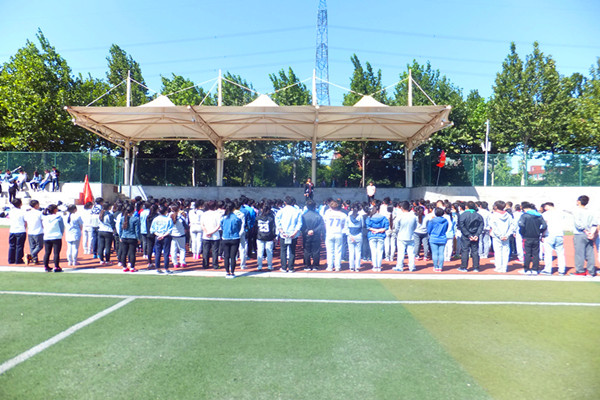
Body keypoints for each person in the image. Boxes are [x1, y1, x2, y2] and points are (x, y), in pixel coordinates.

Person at [518, 202, 547, 275]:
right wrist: (540, 231)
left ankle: (527, 269)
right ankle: (535, 269)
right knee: (535, 254)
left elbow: (521, 225)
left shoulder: (524, 216)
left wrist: (522, 233)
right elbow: (544, 225)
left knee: (527, 253)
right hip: (536, 237)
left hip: (527, 237)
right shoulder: (539, 215)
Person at [275, 196, 302, 272]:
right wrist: (295, 232)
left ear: (285, 202)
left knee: (283, 251)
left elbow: (277, 221)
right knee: (292, 250)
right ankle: (291, 267)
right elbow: (299, 223)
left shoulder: (281, 211)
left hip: (284, 233)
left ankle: (283, 267)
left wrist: (281, 231)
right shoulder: (297, 211)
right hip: (293, 233)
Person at [571, 195, 596, 277]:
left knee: (579, 253)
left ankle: (580, 271)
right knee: (590, 253)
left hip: (580, 234)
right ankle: (590, 271)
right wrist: (591, 233)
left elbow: (578, 224)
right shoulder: (591, 211)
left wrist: (585, 231)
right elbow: (595, 223)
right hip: (589, 234)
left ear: (579, 202)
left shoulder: (576, 211)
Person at [541, 202, 566, 276]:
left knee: (548, 253)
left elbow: (544, 225)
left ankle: (548, 270)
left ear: (548, 206)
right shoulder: (561, 213)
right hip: (559, 234)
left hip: (549, 234)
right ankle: (562, 270)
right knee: (560, 253)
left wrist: (542, 235)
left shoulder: (546, 214)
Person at [457, 201, 484, 272]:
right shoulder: (478, 215)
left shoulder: (463, 215)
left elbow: (461, 226)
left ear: (466, 207)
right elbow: (481, 226)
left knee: (465, 251)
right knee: (475, 251)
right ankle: (476, 267)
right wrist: (477, 234)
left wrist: (468, 235)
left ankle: (464, 267)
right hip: (474, 235)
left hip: (466, 236)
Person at [489, 200, 515, 273]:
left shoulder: (493, 215)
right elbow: (512, 226)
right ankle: (504, 267)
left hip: (497, 236)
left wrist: (500, 235)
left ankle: (499, 267)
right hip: (506, 236)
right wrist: (507, 235)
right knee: (505, 252)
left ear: (496, 207)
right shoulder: (509, 215)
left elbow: (493, 227)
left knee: (498, 252)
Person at [393, 201, 417, 272]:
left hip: (401, 236)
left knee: (401, 252)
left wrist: (397, 232)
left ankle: (400, 266)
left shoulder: (399, 216)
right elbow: (415, 226)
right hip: (411, 236)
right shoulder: (413, 216)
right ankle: (412, 266)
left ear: (402, 208)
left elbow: (396, 227)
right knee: (411, 253)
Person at [220, 202, 243, 278]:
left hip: (225, 237)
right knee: (233, 256)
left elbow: (222, 227)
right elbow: (239, 227)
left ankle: (227, 272)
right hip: (235, 237)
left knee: (226, 256)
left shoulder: (223, 217)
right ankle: (232, 272)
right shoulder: (237, 218)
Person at [150, 205, 174, 274]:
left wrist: (158, 235)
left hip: (158, 237)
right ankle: (166, 268)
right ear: (166, 211)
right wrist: (163, 235)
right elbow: (170, 230)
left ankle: (158, 268)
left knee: (158, 253)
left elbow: (152, 229)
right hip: (166, 237)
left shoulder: (155, 219)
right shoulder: (168, 219)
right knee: (166, 253)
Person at [301, 199, 325, 271]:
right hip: (316, 235)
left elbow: (301, 226)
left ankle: (307, 265)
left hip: (306, 235)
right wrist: (314, 231)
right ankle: (315, 266)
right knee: (316, 250)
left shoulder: (303, 216)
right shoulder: (318, 216)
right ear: (314, 206)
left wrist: (307, 231)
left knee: (306, 250)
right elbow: (321, 226)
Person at [323, 200, 346, 271]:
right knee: (338, 251)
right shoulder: (343, 215)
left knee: (330, 251)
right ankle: (337, 266)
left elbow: (325, 224)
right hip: (338, 233)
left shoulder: (327, 214)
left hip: (330, 233)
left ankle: (330, 266)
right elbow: (343, 225)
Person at [118, 204, 141, 272]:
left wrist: (120, 236)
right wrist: (138, 238)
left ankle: (124, 267)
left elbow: (120, 229)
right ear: (133, 211)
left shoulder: (122, 218)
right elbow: (137, 230)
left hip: (124, 237)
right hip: (132, 237)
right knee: (132, 253)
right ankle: (132, 267)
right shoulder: (135, 219)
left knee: (124, 253)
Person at [42, 204, 65, 272]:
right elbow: (62, 227)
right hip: (56, 236)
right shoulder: (58, 217)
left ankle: (46, 266)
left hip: (47, 236)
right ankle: (56, 266)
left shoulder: (45, 217)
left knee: (47, 252)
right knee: (56, 253)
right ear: (55, 210)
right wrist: (61, 234)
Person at [366, 205, 389, 272]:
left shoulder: (369, 218)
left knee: (373, 252)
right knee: (380, 252)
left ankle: (375, 266)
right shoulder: (383, 218)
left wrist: (375, 230)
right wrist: (379, 230)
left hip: (372, 235)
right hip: (381, 236)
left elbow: (368, 227)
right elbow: (386, 227)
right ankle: (379, 266)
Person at [201, 200, 221, 270]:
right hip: (215, 235)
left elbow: (202, 225)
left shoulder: (204, 214)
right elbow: (218, 225)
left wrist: (207, 232)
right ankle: (215, 265)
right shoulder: (218, 214)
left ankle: (205, 265)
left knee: (205, 251)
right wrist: (211, 232)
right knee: (215, 251)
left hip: (206, 235)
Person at [427, 207, 449, 272]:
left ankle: (436, 266)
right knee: (441, 253)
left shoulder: (432, 221)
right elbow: (446, 229)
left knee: (435, 253)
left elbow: (429, 230)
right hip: (442, 238)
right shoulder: (445, 221)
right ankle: (440, 267)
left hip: (433, 238)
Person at [344, 203, 364, 272]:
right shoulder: (360, 217)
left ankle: (351, 267)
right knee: (358, 252)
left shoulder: (348, 217)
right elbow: (362, 225)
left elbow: (346, 227)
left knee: (351, 252)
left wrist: (349, 235)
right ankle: (357, 267)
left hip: (350, 235)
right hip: (358, 235)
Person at [256, 204, 276, 271]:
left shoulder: (257, 218)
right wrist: (274, 236)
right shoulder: (271, 219)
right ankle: (269, 265)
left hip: (260, 236)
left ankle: (259, 266)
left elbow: (255, 227)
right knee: (269, 251)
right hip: (269, 236)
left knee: (260, 251)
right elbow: (273, 228)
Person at [25, 200, 44, 265]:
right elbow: (42, 221)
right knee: (40, 246)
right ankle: (31, 255)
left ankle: (34, 259)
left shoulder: (27, 213)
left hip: (30, 231)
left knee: (32, 246)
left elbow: (26, 221)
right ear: (36, 205)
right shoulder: (39, 213)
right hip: (38, 231)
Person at [8, 198, 27, 264]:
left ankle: (11, 259)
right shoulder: (23, 212)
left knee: (12, 246)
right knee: (19, 246)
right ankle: (18, 260)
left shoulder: (11, 211)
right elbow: (25, 221)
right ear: (20, 204)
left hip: (12, 230)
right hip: (20, 230)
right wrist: (25, 228)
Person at [169, 204, 188, 269]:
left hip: (173, 235)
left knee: (173, 250)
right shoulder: (181, 217)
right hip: (181, 234)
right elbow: (186, 225)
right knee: (182, 249)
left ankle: (175, 263)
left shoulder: (169, 216)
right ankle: (182, 262)